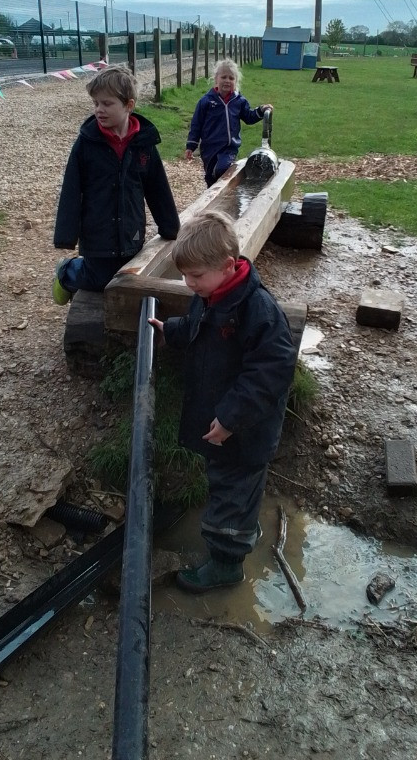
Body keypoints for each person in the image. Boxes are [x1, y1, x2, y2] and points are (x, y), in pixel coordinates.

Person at [149, 211, 297, 593]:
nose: (188, 283)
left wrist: (230, 419)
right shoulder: (215, 294)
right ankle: (243, 525)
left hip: (244, 431)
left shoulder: (257, 311)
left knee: (233, 487)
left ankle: (227, 562)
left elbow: (270, 373)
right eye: (185, 275)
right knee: (231, 484)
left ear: (229, 266)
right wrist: (174, 331)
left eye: (195, 276)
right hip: (224, 422)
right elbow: (203, 332)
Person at [52, 63, 180, 302]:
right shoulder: (87, 143)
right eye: (96, 103)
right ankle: (67, 272)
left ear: (128, 105)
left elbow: (157, 187)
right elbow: (72, 189)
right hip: (97, 231)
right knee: (100, 279)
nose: (99, 110)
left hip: (131, 228)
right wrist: (66, 236)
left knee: (126, 277)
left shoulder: (143, 143)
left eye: (107, 103)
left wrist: (170, 226)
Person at [185, 58, 273, 187]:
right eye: (224, 77)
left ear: (236, 82)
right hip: (210, 147)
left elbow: (249, 117)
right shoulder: (206, 101)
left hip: (229, 147)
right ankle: (212, 194)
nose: (227, 81)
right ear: (216, 79)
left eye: (231, 78)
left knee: (222, 168)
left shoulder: (239, 101)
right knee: (210, 175)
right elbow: (196, 124)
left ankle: (226, 192)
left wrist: (260, 111)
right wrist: (191, 146)